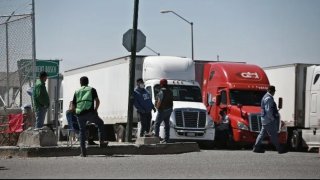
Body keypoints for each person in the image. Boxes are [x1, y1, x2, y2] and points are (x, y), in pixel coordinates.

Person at [72, 76, 108, 157]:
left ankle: (83, 153)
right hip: (89, 113)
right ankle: (101, 142)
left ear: (80, 83)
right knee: (100, 123)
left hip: (79, 114)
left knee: (82, 131)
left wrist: (75, 112)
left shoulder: (77, 91)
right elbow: (97, 101)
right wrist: (95, 110)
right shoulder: (92, 89)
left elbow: (73, 104)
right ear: (88, 82)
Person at [253, 85, 287, 154]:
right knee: (274, 134)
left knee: (262, 134)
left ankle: (256, 147)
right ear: (272, 91)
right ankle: (279, 149)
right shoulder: (269, 98)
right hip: (269, 120)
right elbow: (268, 110)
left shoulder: (265, 97)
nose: (274, 93)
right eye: (274, 91)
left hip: (264, 119)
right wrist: (272, 118)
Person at [154, 79, 173, 143]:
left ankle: (156, 138)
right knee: (167, 125)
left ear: (161, 84)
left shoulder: (161, 92)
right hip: (169, 110)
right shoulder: (170, 91)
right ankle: (167, 139)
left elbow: (159, 101)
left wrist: (157, 107)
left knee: (157, 124)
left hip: (162, 110)